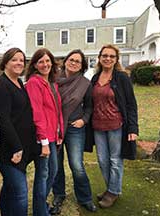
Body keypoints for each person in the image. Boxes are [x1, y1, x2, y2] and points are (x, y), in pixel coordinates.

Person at [0, 48, 40, 216]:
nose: (19, 63)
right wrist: (17, 147)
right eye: (14, 60)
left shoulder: (19, 83)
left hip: (22, 147)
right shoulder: (1, 86)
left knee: (10, 187)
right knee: (20, 192)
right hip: (9, 149)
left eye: (21, 60)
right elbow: (3, 119)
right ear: (5, 62)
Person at [91, 44, 138, 208]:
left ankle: (112, 192)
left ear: (116, 59)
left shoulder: (121, 77)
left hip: (116, 125)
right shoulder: (95, 78)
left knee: (115, 160)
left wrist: (133, 128)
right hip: (97, 126)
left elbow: (131, 104)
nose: (108, 58)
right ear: (100, 58)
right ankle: (112, 188)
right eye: (105, 55)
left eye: (112, 56)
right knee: (103, 160)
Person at [50, 49, 97, 214]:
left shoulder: (85, 84)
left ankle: (85, 198)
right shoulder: (53, 79)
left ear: (82, 65)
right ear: (66, 61)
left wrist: (83, 120)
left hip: (74, 128)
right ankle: (59, 195)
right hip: (54, 128)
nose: (74, 63)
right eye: (71, 59)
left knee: (76, 165)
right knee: (55, 164)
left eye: (78, 61)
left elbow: (90, 106)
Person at [25, 48, 64, 216]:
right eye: (41, 61)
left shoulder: (52, 83)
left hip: (53, 136)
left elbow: (57, 110)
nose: (45, 64)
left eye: (47, 61)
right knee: (44, 174)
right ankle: (40, 211)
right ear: (35, 65)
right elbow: (37, 112)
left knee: (52, 172)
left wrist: (60, 133)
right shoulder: (34, 82)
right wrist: (44, 141)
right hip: (43, 139)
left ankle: (41, 205)